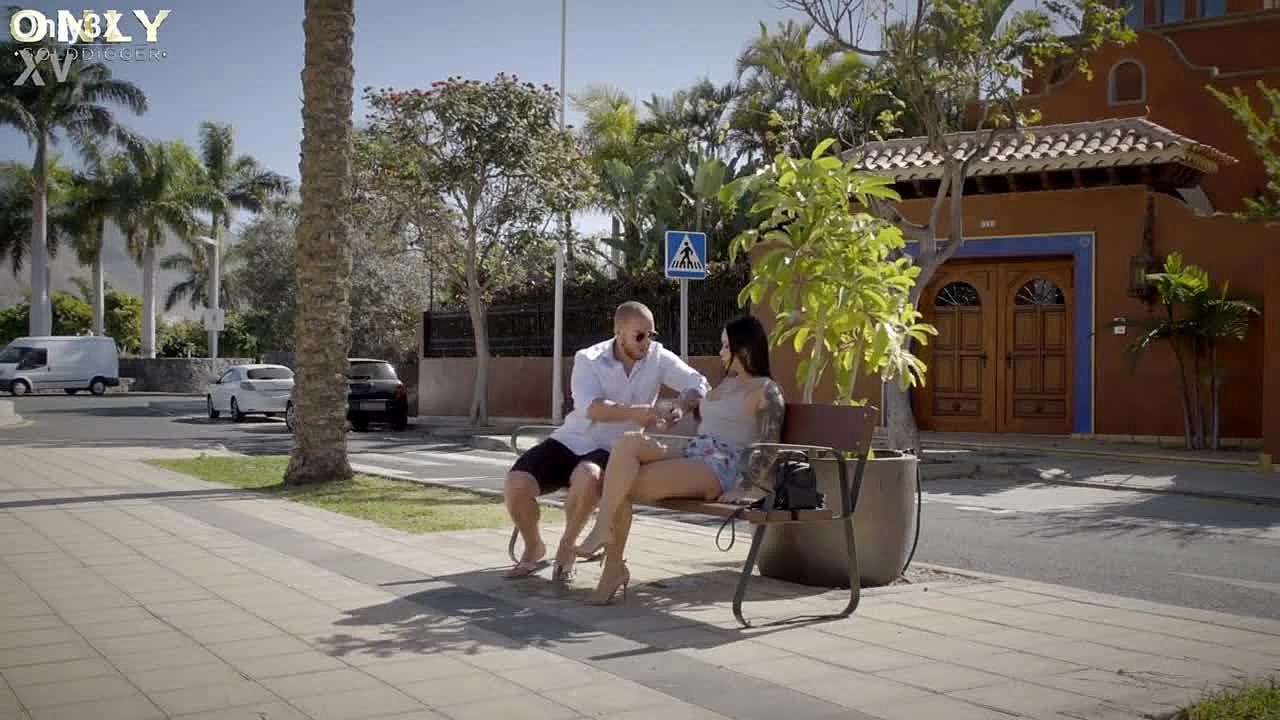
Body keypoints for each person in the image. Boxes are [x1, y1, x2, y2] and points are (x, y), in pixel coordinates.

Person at [574, 314, 786, 605]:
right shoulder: (726, 384)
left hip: (720, 467)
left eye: (726, 346)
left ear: (745, 349)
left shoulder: (766, 389)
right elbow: (705, 417)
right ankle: (605, 539)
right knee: (628, 443)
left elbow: (769, 444)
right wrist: (672, 411)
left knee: (620, 483)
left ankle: (611, 562)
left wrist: (744, 486)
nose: (721, 351)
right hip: (695, 452)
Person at [503, 301, 711, 581]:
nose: (646, 342)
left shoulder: (657, 357)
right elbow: (591, 407)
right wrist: (634, 413)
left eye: (651, 335)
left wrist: (681, 407)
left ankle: (567, 549)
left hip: (612, 447)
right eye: (639, 335)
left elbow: (698, 382)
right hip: (571, 438)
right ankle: (534, 547)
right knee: (516, 485)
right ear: (619, 332)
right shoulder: (589, 359)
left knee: (588, 477)